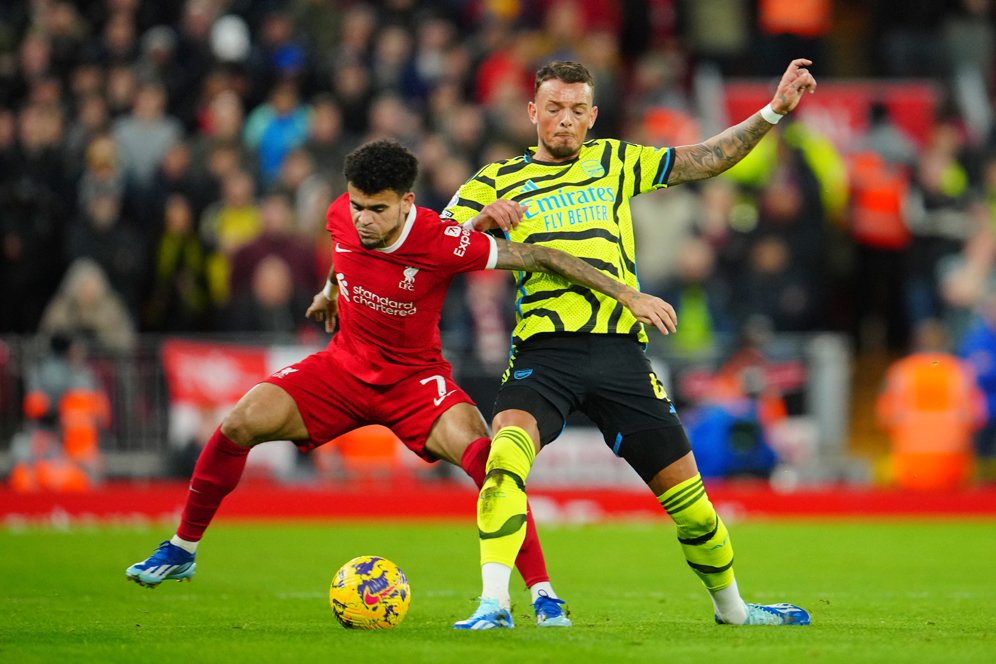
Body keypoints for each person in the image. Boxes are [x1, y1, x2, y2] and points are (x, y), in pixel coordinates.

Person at [126, 139, 675, 628]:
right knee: (239, 423)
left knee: (492, 462)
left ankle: (542, 593)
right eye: (358, 205)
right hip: (342, 368)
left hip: (417, 382)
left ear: (407, 202)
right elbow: (343, 255)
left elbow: (541, 256)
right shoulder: (341, 213)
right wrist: (328, 292)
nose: (363, 218)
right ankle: (182, 548)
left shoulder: (443, 241)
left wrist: (627, 294)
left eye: (377, 209)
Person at [442, 59, 816, 629]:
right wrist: (478, 226)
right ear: (532, 112)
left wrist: (771, 112)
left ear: (592, 116)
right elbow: (428, 250)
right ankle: (493, 604)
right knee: (504, 462)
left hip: (620, 354)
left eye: (575, 110)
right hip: (545, 353)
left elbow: (702, 160)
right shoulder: (492, 182)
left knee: (690, 503)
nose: (564, 121)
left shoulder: (615, 161)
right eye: (552, 109)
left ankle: (735, 611)